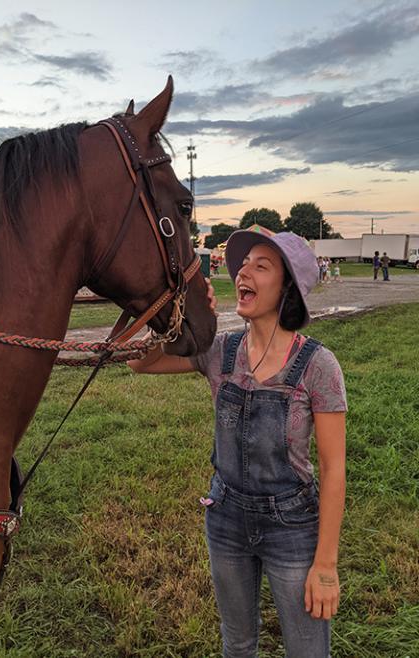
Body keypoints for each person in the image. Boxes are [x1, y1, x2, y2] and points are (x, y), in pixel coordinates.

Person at [128, 228, 347, 658]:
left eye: (261, 266)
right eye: (243, 264)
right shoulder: (220, 351)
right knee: (238, 645)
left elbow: (333, 468)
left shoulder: (318, 366)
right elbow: (139, 362)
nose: (243, 271)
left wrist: (325, 565)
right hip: (226, 519)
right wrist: (177, 314)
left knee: (307, 651)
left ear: (287, 290)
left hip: (292, 528)